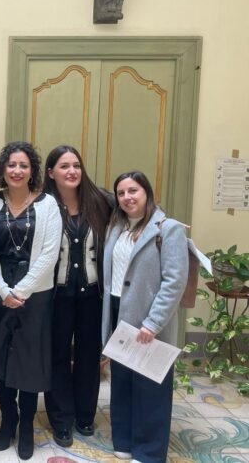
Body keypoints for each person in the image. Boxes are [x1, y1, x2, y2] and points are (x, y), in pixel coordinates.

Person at [0, 141, 62, 460]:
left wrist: (21, 291)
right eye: (11, 165)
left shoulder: (48, 204)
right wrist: (2, 290)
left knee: (29, 361)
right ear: (3, 169)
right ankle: (7, 419)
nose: (17, 170)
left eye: (23, 165)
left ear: (32, 170)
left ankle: (26, 424)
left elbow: (50, 254)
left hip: (35, 295)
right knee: (2, 359)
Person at [102, 171, 188, 463]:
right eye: (121, 193)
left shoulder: (169, 229)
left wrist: (153, 322)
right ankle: (124, 440)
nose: (127, 197)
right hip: (118, 311)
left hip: (149, 318)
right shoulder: (117, 227)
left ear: (147, 193)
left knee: (151, 387)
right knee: (122, 381)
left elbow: (174, 281)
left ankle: (149, 451)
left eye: (133, 191)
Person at [42, 145, 113, 447]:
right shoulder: (44, 204)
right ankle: (61, 419)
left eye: (76, 165)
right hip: (55, 295)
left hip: (92, 295)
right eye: (64, 166)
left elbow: (139, 209)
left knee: (88, 356)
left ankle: (85, 414)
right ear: (51, 173)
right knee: (56, 356)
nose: (72, 171)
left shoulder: (102, 201)